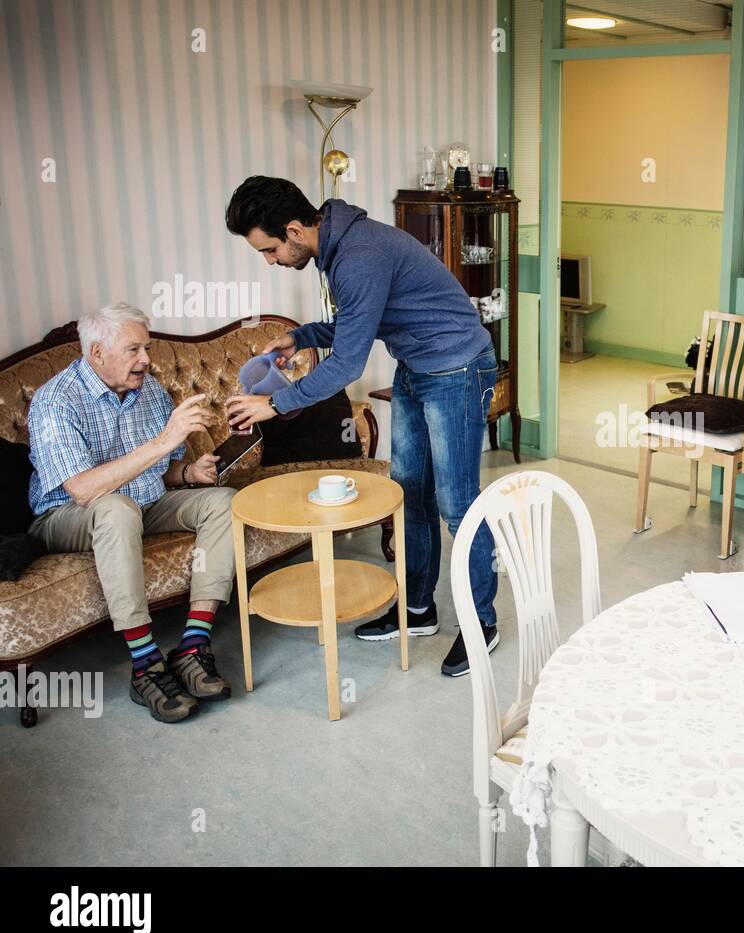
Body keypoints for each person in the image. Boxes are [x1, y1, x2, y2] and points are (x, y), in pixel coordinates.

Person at [223, 176, 499, 677]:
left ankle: (482, 624)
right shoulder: (343, 247)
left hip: (457, 368)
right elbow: (359, 322)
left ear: (293, 230)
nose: (270, 261)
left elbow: (348, 363)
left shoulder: (359, 255)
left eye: (268, 250)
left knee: (458, 505)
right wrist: (301, 336)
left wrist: (276, 404)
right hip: (417, 367)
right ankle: (418, 610)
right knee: (409, 494)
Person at [27, 303, 235, 723]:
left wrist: (190, 472)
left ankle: (193, 646)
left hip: (145, 503)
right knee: (116, 510)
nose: (146, 359)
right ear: (97, 353)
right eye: (134, 349)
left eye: (147, 347)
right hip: (67, 515)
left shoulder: (151, 391)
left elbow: (164, 471)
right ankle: (145, 665)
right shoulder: (56, 401)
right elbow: (83, 490)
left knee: (224, 500)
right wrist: (163, 442)